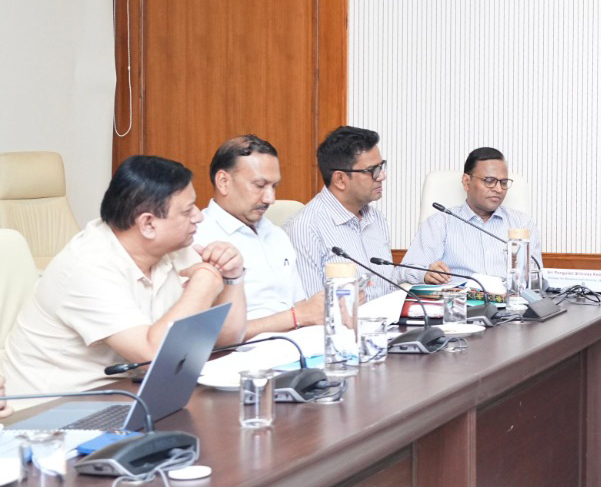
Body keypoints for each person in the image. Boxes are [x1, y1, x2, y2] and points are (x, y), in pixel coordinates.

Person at [0, 155, 246, 398]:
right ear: (148, 224)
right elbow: (154, 357)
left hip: (126, 393)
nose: (198, 216)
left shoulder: (172, 247)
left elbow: (227, 339)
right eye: (187, 210)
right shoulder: (88, 267)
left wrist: (232, 278)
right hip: (51, 410)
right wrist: (202, 285)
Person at [194, 135, 325, 335]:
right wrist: (297, 317)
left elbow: (301, 306)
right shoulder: (198, 238)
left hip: (297, 350)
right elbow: (206, 335)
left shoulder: (276, 234)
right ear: (223, 181)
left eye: (274, 186)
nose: (270, 198)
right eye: (259, 185)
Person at [399, 147, 541, 285]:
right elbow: (403, 271)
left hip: (510, 304)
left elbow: (537, 277)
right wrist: (425, 274)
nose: (498, 189)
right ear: (467, 182)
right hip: (458, 304)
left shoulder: (523, 224)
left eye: (503, 183)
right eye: (489, 181)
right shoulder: (440, 223)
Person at [285, 126, 393, 298]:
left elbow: (387, 289)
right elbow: (311, 307)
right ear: (340, 179)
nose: (381, 176)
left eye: (381, 167)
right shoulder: (304, 228)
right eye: (372, 171)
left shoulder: (376, 218)